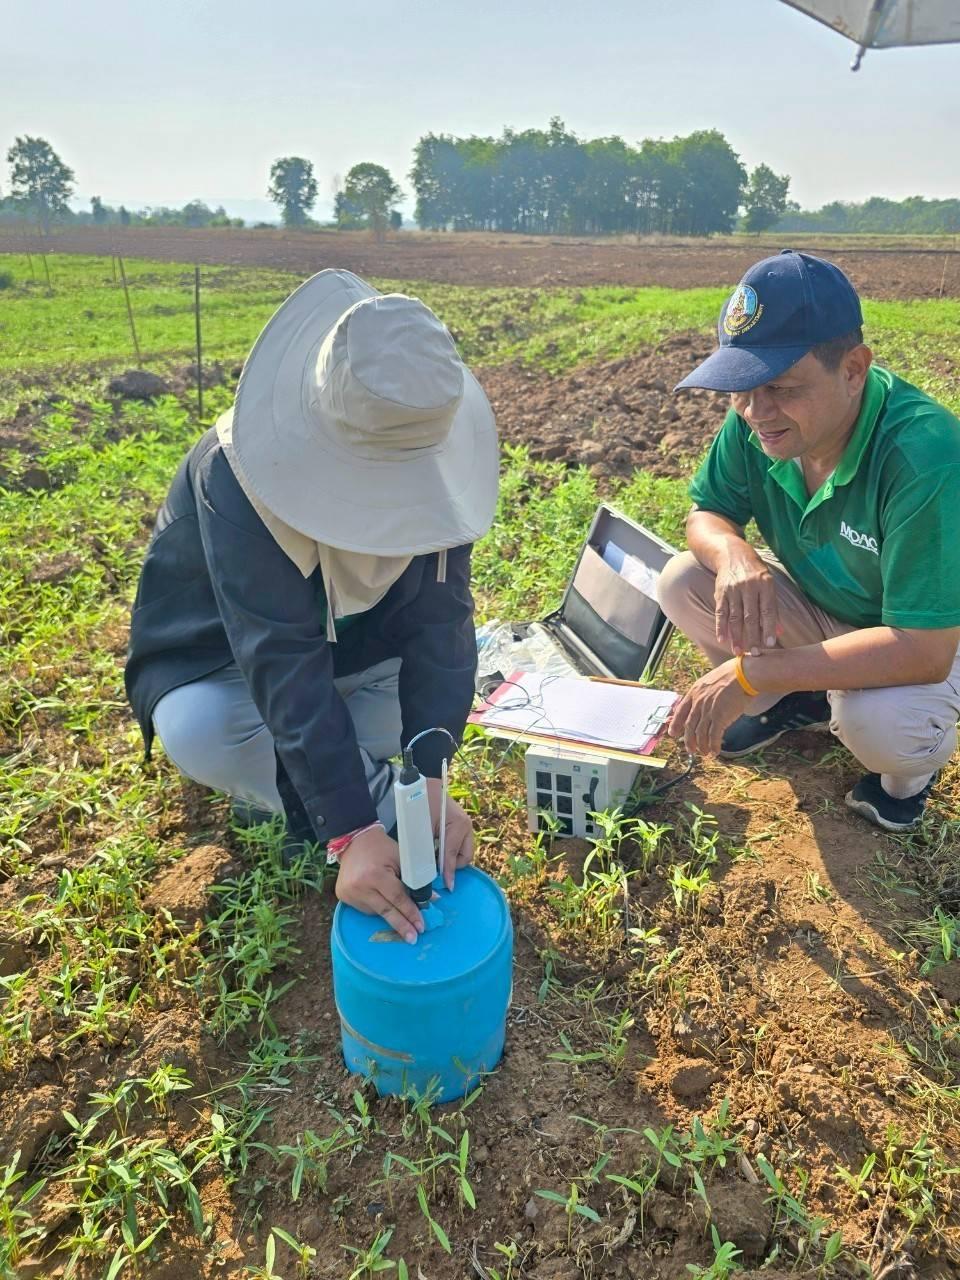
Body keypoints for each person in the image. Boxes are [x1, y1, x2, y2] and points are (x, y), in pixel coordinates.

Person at [125, 269, 499, 939]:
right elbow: (277, 656)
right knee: (201, 731)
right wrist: (356, 828)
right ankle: (331, 793)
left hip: (352, 658)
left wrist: (435, 778)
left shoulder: (425, 442)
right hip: (227, 666)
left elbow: (442, 626)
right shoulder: (235, 478)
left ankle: (313, 775)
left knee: (425, 701)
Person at [658, 250, 960, 832]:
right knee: (684, 580)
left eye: (780, 387)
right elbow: (709, 512)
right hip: (833, 609)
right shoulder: (758, 419)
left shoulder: (927, 459)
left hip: (929, 633)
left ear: (853, 369)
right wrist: (734, 554)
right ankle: (799, 698)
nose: (753, 411)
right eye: (740, 389)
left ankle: (906, 780)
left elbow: (923, 648)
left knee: (882, 723)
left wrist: (750, 673)